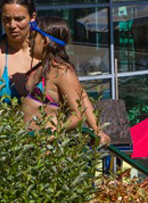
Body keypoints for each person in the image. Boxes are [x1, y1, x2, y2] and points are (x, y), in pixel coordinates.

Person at [12, 16, 109, 144]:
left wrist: (55, 133)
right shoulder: (39, 68)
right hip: (26, 145)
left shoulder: (62, 72)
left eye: (32, 37)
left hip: (46, 148)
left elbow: (77, 115)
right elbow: (81, 94)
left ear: (45, 41)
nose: (28, 41)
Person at [0, 0, 38, 101]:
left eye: (19, 19)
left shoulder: (46, 52)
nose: (12, 25)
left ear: (32, 18)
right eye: (7, 19)